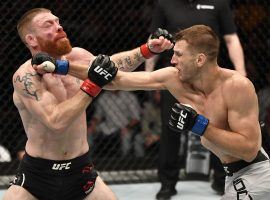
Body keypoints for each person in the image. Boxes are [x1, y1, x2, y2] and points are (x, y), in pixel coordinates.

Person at [38, 24, 270, 200]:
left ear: (200, 59)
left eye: (179, 54)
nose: (172, 60)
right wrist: (60, 67)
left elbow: (249, 150)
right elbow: (115, 81)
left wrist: (200, 126)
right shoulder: (174, 78)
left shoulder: (236, 86)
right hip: (232, 174)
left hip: (256, 174)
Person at [3, 8, 173, 200]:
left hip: (80, 170)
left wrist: (148, 50)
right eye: (48, 25)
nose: (59, 27)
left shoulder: (76, 57)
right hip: (37, 176)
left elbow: (111, 67)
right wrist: (93, 84)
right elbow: (56, 122)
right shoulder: (25, 77)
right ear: (31, 39)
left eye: (58, 22)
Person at [145, 0, 246, 198]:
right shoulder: (165, 4)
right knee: (171, 129)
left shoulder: (218, 3)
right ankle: (167, 183)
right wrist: (150, 75)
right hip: (176, 77)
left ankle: (220, 178)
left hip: (210, 79)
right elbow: (154, 40)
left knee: (218, 127)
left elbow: (231, 39)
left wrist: (240, 72)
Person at [90, 90, 143, 158]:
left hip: (125, 125)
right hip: (108, 125)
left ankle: (125, 159)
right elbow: (98, 116)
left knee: (126, 135)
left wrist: (128, 127)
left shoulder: (130, 97)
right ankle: (89, 158)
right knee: (89, 131)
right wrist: (93, 125)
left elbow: (136, 118)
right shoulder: (103, 97)